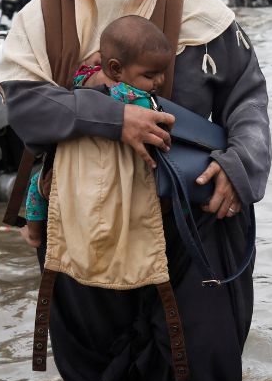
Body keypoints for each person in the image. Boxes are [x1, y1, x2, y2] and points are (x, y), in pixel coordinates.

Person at [0, 0, 270, 381]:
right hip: (86, 221)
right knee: (103, 375)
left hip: (193, 222)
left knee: (196, 357)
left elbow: (246, 99)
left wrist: (241, 167)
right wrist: (112, 117)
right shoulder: (48, 14)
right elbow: (25, 105)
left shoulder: (201, 13)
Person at [21, 15, 174, 247]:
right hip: (116, 176)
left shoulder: (85, 77)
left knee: (37, 185)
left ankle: (33, 233)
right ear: (115, 68)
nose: (160, 81)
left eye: (162, 72)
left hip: (72, 169)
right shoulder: (137, 101)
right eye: (150, 76)